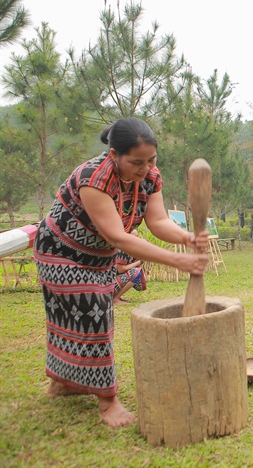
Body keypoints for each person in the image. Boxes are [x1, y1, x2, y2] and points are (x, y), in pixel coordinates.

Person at [34, 118, 210, 428]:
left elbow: (157, 221)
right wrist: (176, 260)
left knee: (77, 317)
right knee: (94, 311)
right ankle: (108, 402)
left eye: (151, 159)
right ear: (115, 154)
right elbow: (118, 236)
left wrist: (185, 238)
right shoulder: (94, 178)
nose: (146, 168)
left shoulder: (149, 177)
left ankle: (62, 383)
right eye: (137, 162)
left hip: (98, 256)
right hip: (60, 251)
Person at [112, 229, 146, 305]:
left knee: (137, 273)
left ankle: (117, 296)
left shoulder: (129, 249)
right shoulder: (122, 249)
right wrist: (139, 262)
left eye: (137, 236)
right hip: (109, 282)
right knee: (135, 272)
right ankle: (115, 299)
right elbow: (121, 269)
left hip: (113, 281)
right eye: (134, 236)